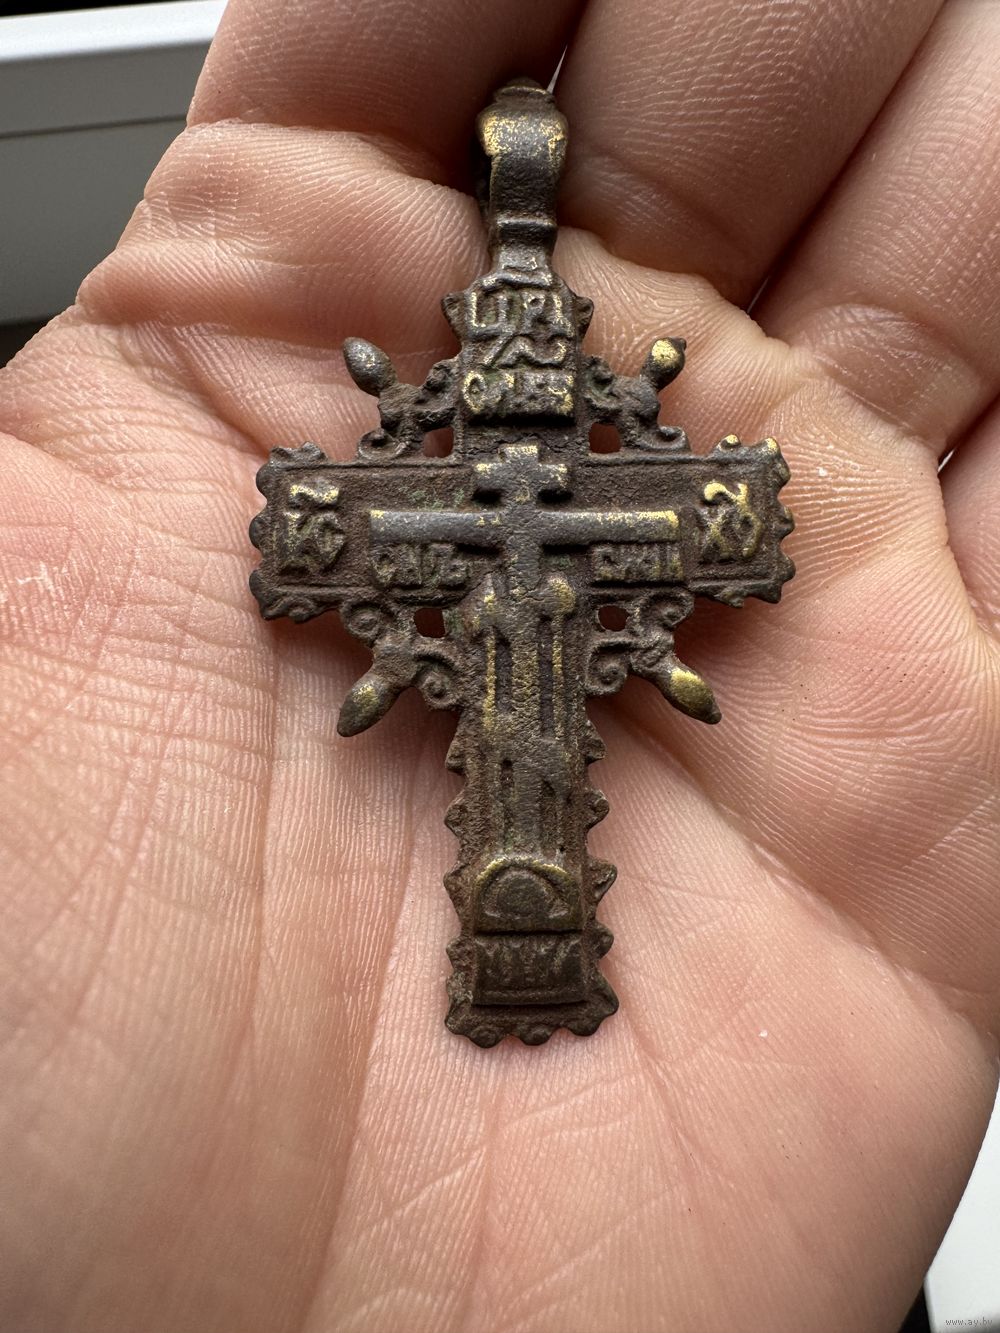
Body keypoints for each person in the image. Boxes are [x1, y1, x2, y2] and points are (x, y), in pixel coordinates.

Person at [1, 0, 997, 1329]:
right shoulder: (407, 517)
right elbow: (316, 533)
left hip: (527, 623)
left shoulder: (609, 508)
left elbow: (726, 520)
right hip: (513, 628)